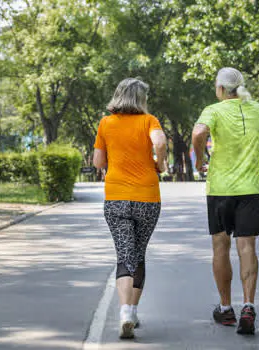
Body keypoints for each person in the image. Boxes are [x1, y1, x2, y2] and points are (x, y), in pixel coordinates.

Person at [192, 67, 259, 335]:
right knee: (247, 248)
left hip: (219, 190)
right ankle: (249, 306)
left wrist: (200, 160)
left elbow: (198, 134)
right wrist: (253, 145)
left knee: (220, 247)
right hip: (250, 190)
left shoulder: (214, 110)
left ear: (220, 89)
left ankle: (226, 308)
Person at [93, 78, 167, 339]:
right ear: (141, 99)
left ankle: (125, 311)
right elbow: (159, 143)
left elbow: (98, 161)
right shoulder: (149, 121)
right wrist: (161, 163)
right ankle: (132, 311)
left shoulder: (106, 123)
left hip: (116, 199)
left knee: (124, 253)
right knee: (139, 253)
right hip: (147, 198)